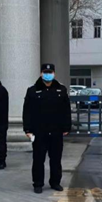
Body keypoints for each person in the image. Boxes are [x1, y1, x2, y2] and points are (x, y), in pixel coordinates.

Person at [23, 63, 71, 194]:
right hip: (39, 132)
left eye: (50, 72)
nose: (48, 75)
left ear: (54, 74)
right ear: (41, 74)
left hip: (56, 131)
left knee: (56, 159)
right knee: (38, 159)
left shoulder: (61, 90)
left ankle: (55, 182)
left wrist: (66, 127)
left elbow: (66, 110)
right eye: (45, 72)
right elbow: (27, 111)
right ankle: (38, 183)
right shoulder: (32, 90)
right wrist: (27, 129)